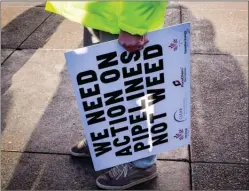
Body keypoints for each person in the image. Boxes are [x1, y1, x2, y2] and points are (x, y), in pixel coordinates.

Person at [45, 1, 167, 190]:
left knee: (133, 91)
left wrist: (134, 24)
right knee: (102, 85)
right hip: (100, 11)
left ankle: (141, 163)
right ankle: (104, 141)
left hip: (123, 14)